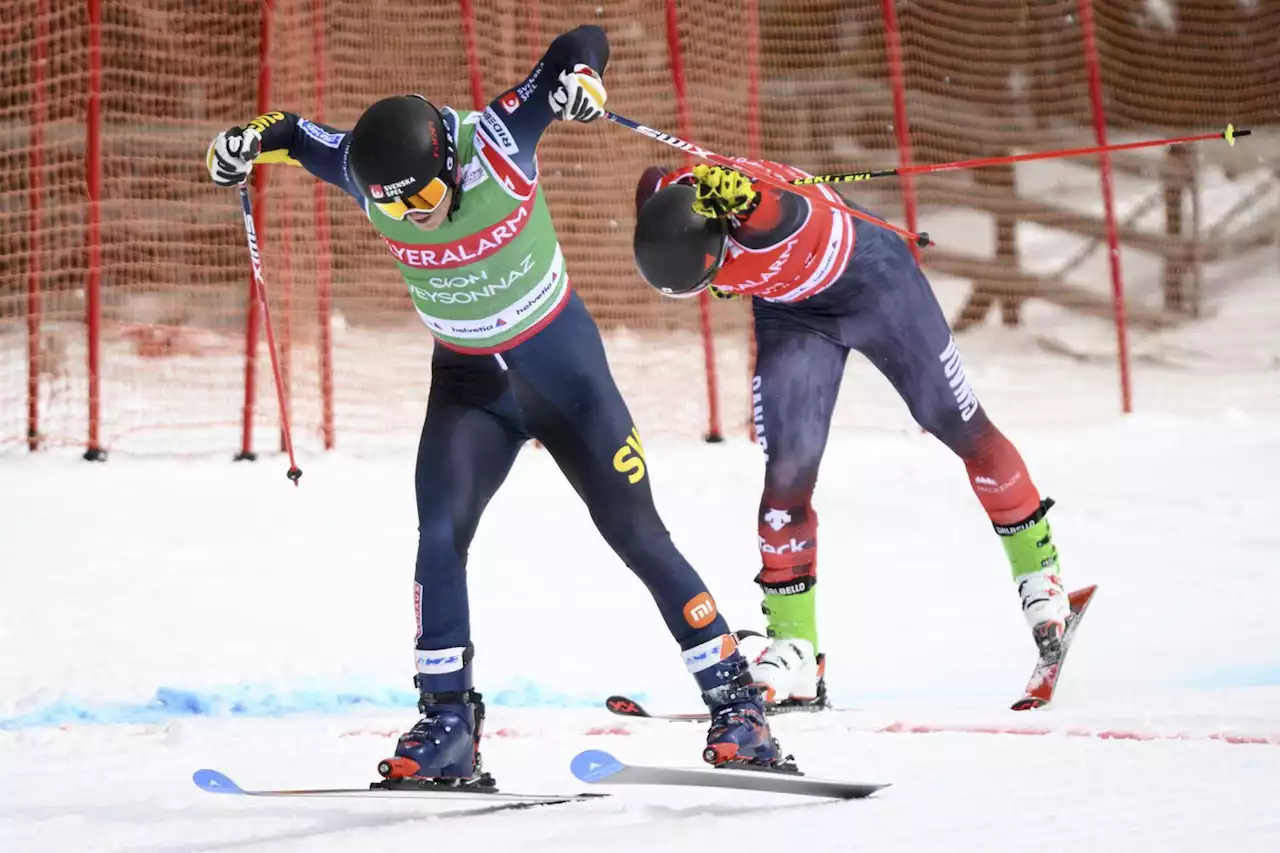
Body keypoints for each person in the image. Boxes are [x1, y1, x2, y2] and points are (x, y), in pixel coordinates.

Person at [204, 25, 785, 784]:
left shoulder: (497, 141)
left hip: (564, 376)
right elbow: (290, 134)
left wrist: (584, 76)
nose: (412, 213)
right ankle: (448, 719)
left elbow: (577, 44)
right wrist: (242, 143)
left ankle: (738, 704)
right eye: (395, 204)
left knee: (636, 534)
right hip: (472, 388)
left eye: (424, 195)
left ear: (449, 161)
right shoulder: (364, 170)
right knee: (439, 532)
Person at [632, 161, 1072, 709]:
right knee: (786, 475)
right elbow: (653, 175)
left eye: (712, 274)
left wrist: (749, 201)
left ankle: (1041, 578)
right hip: (793, 313)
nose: (715, 286)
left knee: (958, 425)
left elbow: (778, 209)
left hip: (875, 285)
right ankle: (795, 648)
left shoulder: (767, 218)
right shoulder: (669, 200)